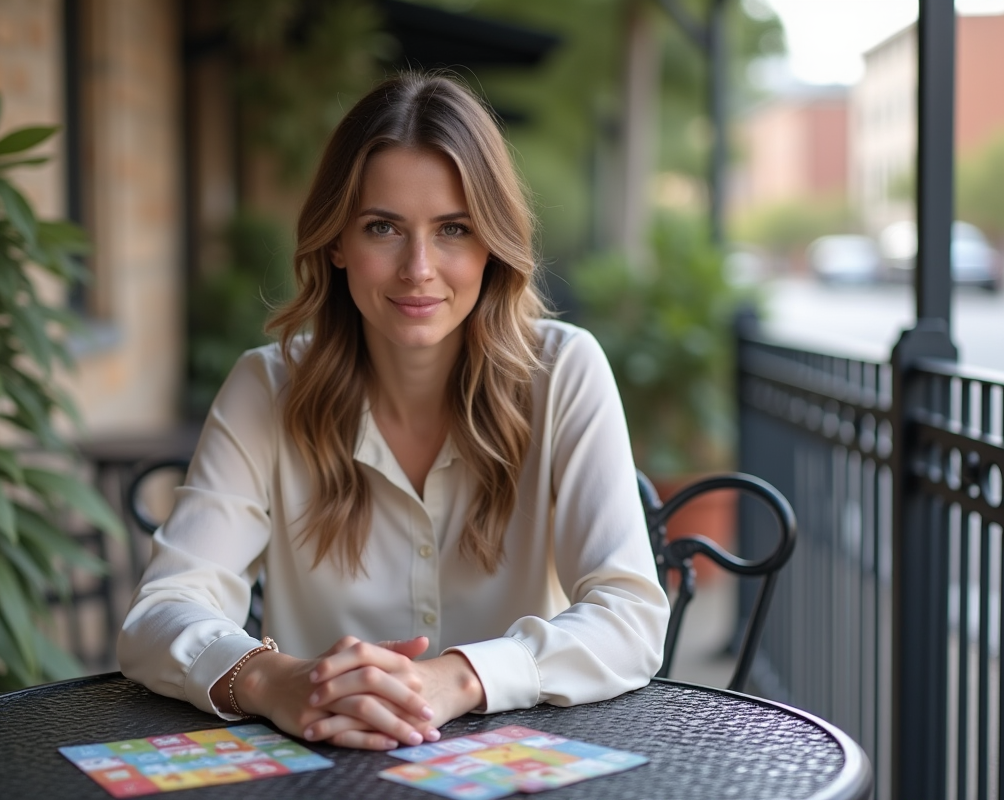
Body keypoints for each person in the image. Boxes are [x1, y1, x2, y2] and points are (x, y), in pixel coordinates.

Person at [118, 72, 669, 752]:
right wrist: (277, 681)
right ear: (337, 243)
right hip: (326, 766)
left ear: (491, 244)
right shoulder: (268, 387)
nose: (418, 268)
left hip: (522, 771)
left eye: (453, 230)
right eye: (383, 227)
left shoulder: (563, 373)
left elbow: (632, 619)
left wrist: (457, 679)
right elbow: (160, 615)